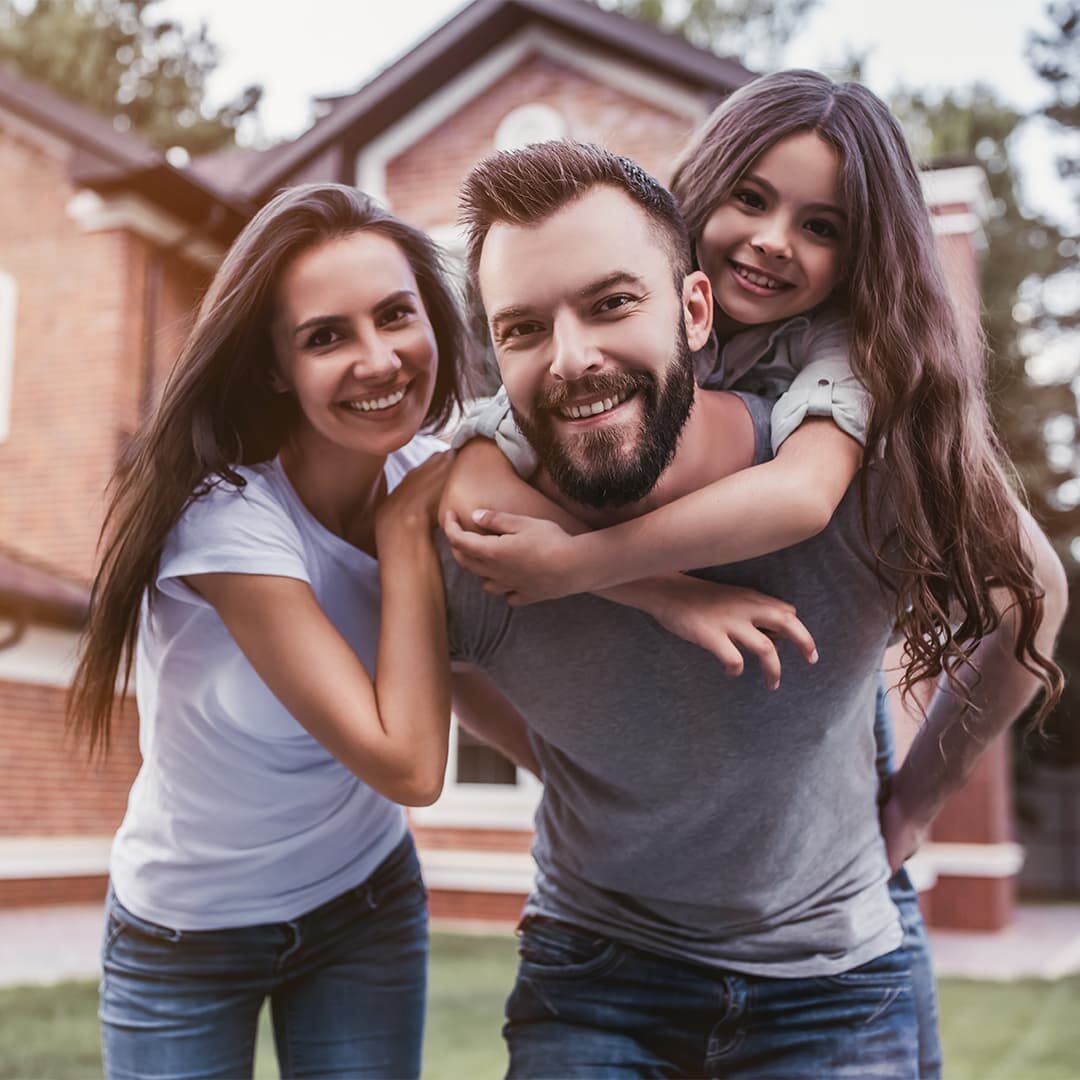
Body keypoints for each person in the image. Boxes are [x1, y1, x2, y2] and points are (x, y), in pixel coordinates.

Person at [444, 72, 1066, 1075]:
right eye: (751, 199)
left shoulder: (857, 368)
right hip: (603, 940)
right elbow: (459, 513)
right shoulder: (591, 354)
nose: (775, 240)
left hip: (828, 926)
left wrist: (912, 804)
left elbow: (1011, 588)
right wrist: (634, 621)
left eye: (821, 225)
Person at [65, 183, 525, 1080]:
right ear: (276, 366)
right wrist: (399, 533)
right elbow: (410, 764)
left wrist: (675, 607)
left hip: (363, 906)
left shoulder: (434, 471)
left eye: (396, 316)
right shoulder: (228, 520)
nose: (380, 359)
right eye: (327, 336)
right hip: (185, 936)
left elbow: (450, 671)